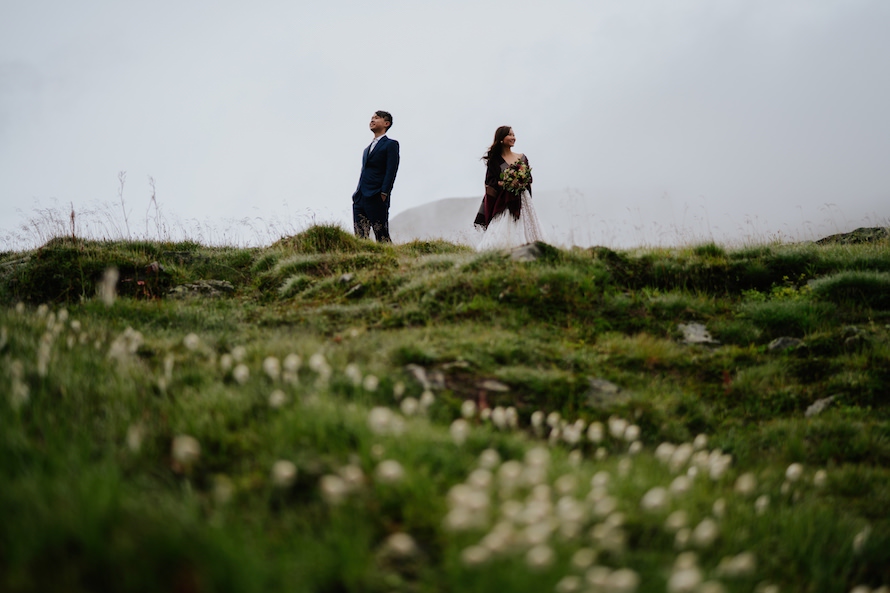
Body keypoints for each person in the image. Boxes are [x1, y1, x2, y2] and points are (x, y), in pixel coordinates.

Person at [474, 126, 543, 250]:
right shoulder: (495, 160)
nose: (513, 138)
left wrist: (521, 181)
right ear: (501, 139)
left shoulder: (522, 158)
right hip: (505, 199)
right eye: (509, 135)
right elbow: (490, 181)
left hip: (523, 199)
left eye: (513, 134)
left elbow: (529, 178)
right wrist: (507, 183)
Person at [352, 110, 400, 242]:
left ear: (386, 123)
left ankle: (393, 260)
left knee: (381, 235)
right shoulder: (366, 149)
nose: (372, 120)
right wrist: (357, 193)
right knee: (360, 237)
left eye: (377, 118)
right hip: (360, 197)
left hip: (377, 195)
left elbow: (392, 169)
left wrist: (384, 192)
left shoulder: (391, 144)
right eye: (371, 118)